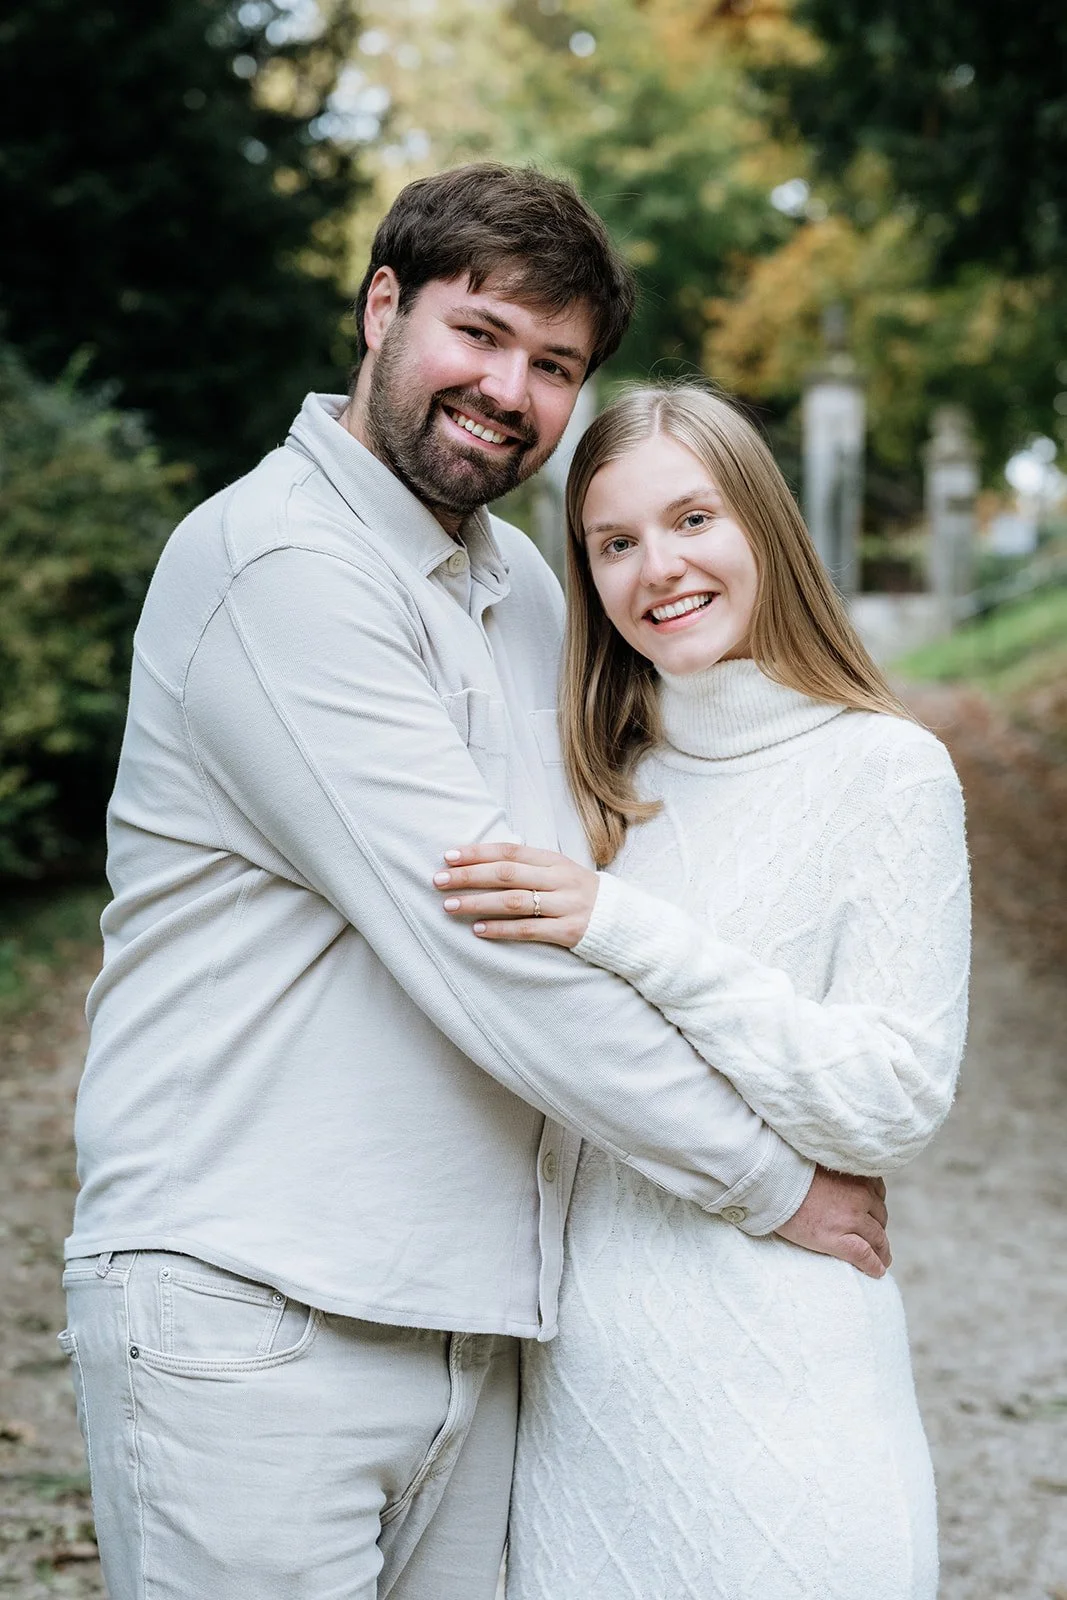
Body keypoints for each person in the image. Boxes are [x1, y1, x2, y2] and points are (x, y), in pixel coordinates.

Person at [61, 169, 889, 1600]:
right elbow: (490, 954)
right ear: (382, 310)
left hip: (474, 1331)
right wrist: (767, 1178)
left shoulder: (521, 593)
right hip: (255, 1313)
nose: (509, 389)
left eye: (555, 365)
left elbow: (645, 862)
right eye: (481, 332)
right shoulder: (280, 567)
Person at [434, 382, 971, 1598]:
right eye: (613, 542)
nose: (655, 568)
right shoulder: (585, 788)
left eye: (692, 519)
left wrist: (629, 930)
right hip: (578, 1423)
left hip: (787, 1415)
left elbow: (889, 1100)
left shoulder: (884, 772)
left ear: (764, 528)